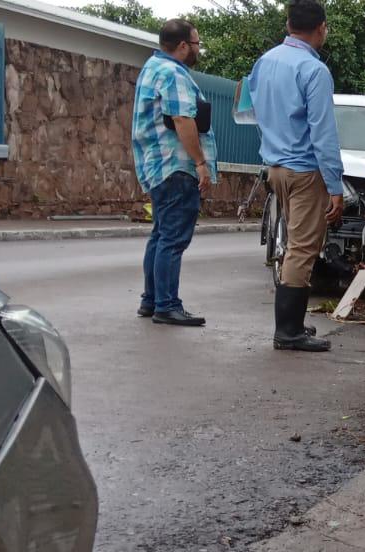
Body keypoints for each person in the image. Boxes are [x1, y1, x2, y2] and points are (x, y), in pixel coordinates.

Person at [247, 0, 345, 352]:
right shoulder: (314, 70)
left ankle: (293, 325)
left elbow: (256, 113)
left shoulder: (265, 62)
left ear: (289, 24)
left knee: (293, 246)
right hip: (304, 171)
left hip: (275, 167)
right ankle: (287, 332)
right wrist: (335, 186)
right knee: (303, 250)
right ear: (321, 28)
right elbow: (323, 133)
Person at [133, 18, 215, 327]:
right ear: (182, 46)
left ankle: (151, 300)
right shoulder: (173, 74)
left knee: (160, 235)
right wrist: (200, 163)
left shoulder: (151, 68)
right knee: (173, 238)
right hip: (175, 165)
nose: (197, 49)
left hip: (157, 165)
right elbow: (182, 119)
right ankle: (167, 304)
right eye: (196, 44)